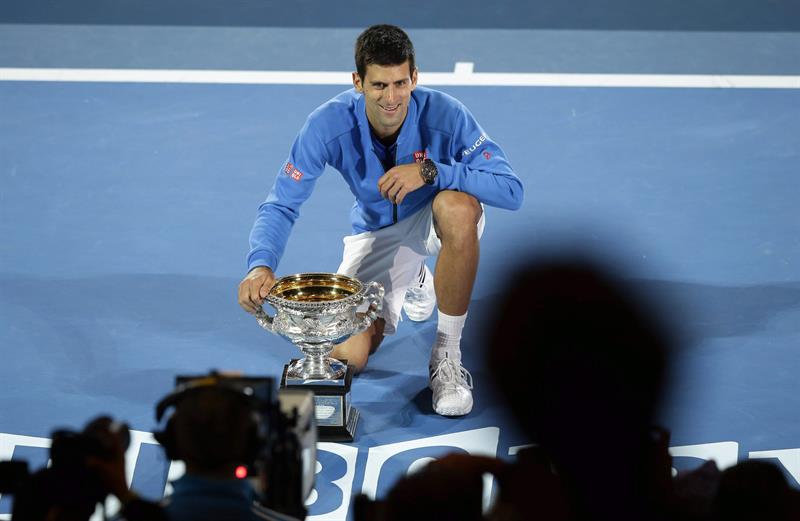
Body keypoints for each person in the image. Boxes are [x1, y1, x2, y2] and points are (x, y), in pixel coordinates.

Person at [238, 24, 523, 416]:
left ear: (414, 78)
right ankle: (416, 276)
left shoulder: (447, 114)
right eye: (378, 86)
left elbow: (511, 190)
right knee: (347, 357)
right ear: (358, 82)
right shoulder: (326, 125)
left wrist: (430, 172)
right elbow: (282, 204)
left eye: (400, 83)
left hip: (436, 219)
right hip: (378, 233)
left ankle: (447, 356)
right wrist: (260, 266)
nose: (392, 98)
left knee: (457, 207)